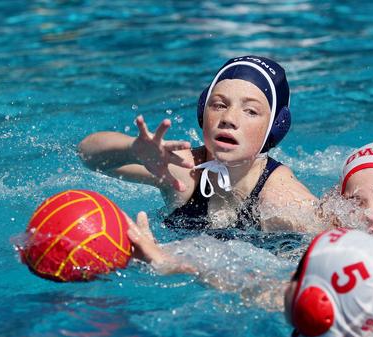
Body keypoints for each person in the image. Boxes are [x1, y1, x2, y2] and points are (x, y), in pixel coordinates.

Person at [126, 212, 373, 337]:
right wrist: (176, 262)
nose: (285, 286)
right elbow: (247, 285)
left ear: (314, 303)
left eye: (298, 274)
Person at [78, 56, 317, 232]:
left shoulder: (283, 201)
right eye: (219, 105)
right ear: (203, 113)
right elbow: (87, 155)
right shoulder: (185, 169)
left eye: (251, 111)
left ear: (275, 127)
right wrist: (132, 149)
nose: (229, 119)